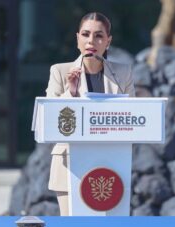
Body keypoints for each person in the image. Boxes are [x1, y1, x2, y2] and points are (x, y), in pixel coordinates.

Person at [45, 11, 135, 215]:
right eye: (85, 34)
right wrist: (72, 92)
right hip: (70, 167)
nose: (91, 41)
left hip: (112, 166)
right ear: (77, 38)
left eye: (99, 35)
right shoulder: (59, 71)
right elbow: (51, 119)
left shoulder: (123, 73)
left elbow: (133, 117)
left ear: (108, 41)